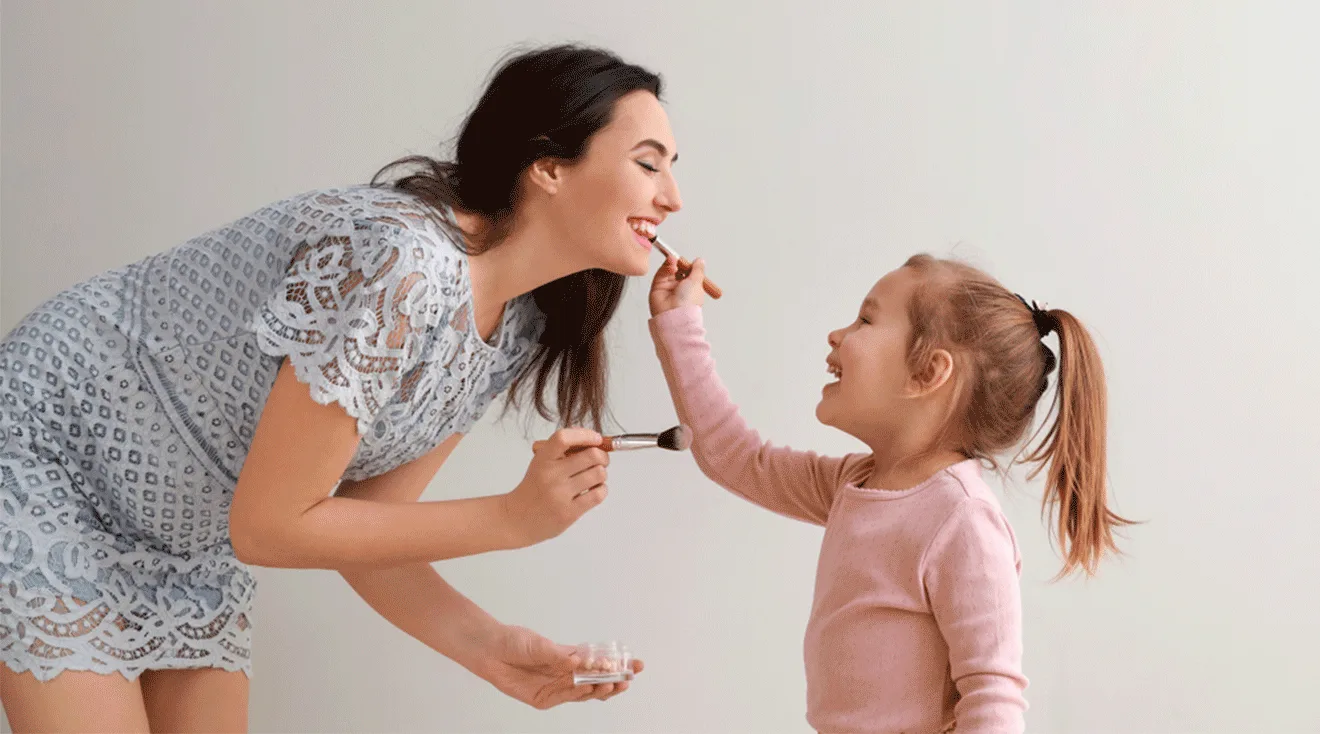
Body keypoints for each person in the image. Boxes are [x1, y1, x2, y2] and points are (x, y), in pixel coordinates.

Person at [0, 43, 681, 732]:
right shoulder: (399, 261)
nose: (672, 197)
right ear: (548, 167)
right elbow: (271, 527)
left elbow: (364, 533)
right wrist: (510, 519)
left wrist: (499, 653)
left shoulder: (516, 327)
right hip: (55, 457)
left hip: (189, 534)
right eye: (648, 163)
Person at [646, 253, 1132, 733]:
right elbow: (734, 456)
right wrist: (679, 322)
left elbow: (994, 701)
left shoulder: (963, 520)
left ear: (927, 373)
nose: (837, 335)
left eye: (865, 319)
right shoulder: (852, 484)